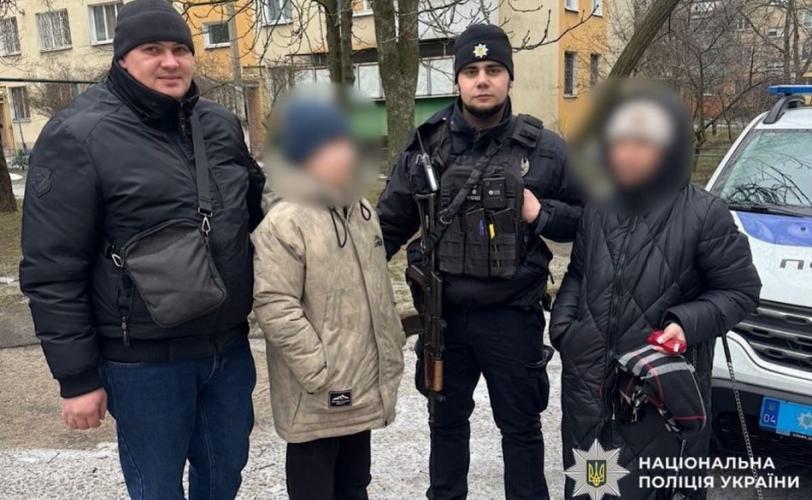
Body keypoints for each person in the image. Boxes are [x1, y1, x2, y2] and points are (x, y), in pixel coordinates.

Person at [19, 0, 265, 498]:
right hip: (144, 363)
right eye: (152, 49)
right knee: (157, 489)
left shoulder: (218, 124)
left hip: (227, 348)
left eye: (180, 49)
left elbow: (256, 216)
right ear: (122, 58)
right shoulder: (77, 135)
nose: (170, 62)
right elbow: (52, 268)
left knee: (224, 480)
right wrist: (77, 379)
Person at [377, 23, 583, 500]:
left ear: (509, 77)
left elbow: (590, 220)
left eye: (493, 69)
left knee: (521, 428)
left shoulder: (545, 149)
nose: (483, 80)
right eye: (471, 71)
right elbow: (388, 226)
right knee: (445, 425)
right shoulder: (426, 146)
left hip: (512, 315)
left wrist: (541, 213)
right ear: (457, 81)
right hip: (443, 315)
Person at [550, 82, 761, 499]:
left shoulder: (705, 214)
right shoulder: (599, 206)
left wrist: (685, 324)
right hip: (588, 391)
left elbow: (741, 291)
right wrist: (566, 330)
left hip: (657, 397)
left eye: (643, 141)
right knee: (592, 488)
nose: (628, 152)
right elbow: (578, 273)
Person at [252, 94, 405, 500]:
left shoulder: (362, 212)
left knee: (354, 485)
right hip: (318, 393)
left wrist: (390, 345)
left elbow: (377, 291)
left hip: (361, 384)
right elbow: (275, 305)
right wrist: (318, 371)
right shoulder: (285, 221)